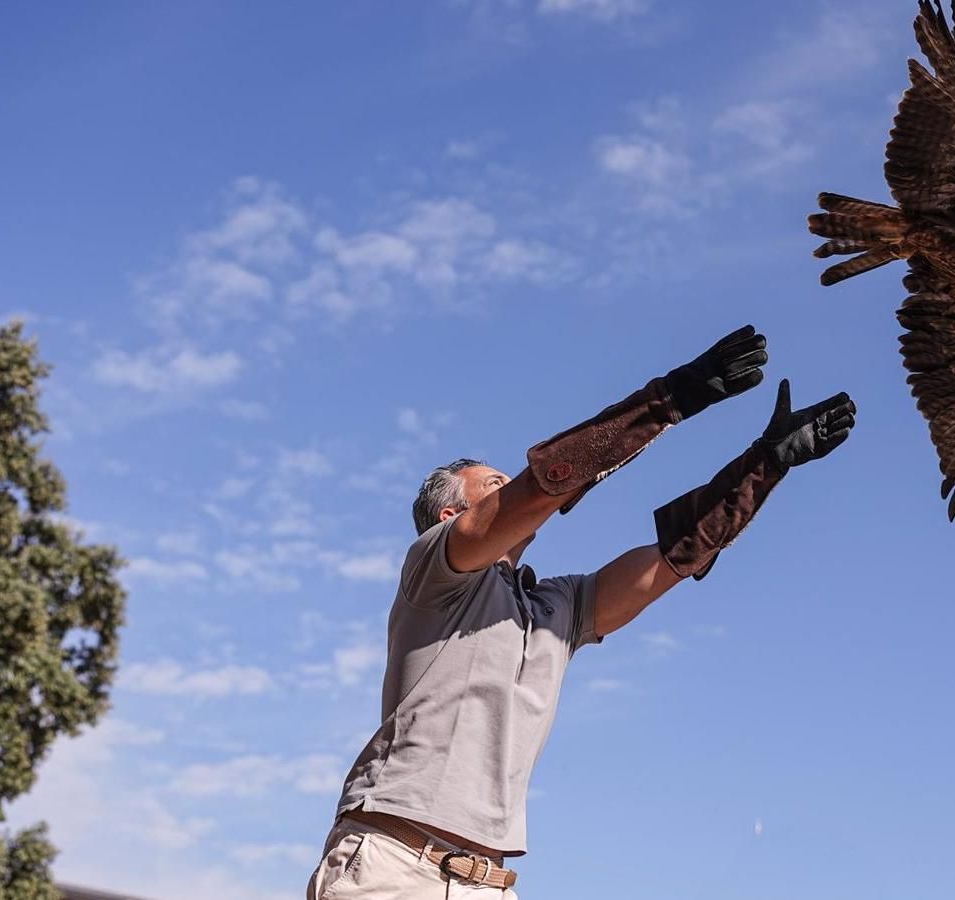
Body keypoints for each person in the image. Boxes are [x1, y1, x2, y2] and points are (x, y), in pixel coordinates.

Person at [306, 325, 855, 898]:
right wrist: (672, 398)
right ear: (450, 517)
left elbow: (670, 559)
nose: (510, 488)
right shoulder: (434, 573)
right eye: (493, 486)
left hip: (488, 883)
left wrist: (766, 464)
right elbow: (541, 488)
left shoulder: (555, 609)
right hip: (394, 864)